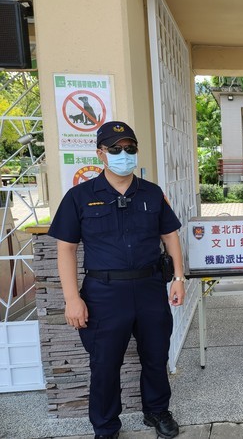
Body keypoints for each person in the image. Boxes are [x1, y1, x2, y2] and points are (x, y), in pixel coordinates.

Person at [48, 121, 185, 439]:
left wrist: (178, 277)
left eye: (130, 148)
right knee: (105, 364)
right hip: (104, 293)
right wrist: (72, 298)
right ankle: (106, 426)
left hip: (150, 287)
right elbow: (66, 249)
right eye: (116, 149)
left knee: (155, 356)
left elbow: (170, 235)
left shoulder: (151, 193)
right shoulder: (79, 196)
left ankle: (156, 411)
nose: (124, 154)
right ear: (101, 153)